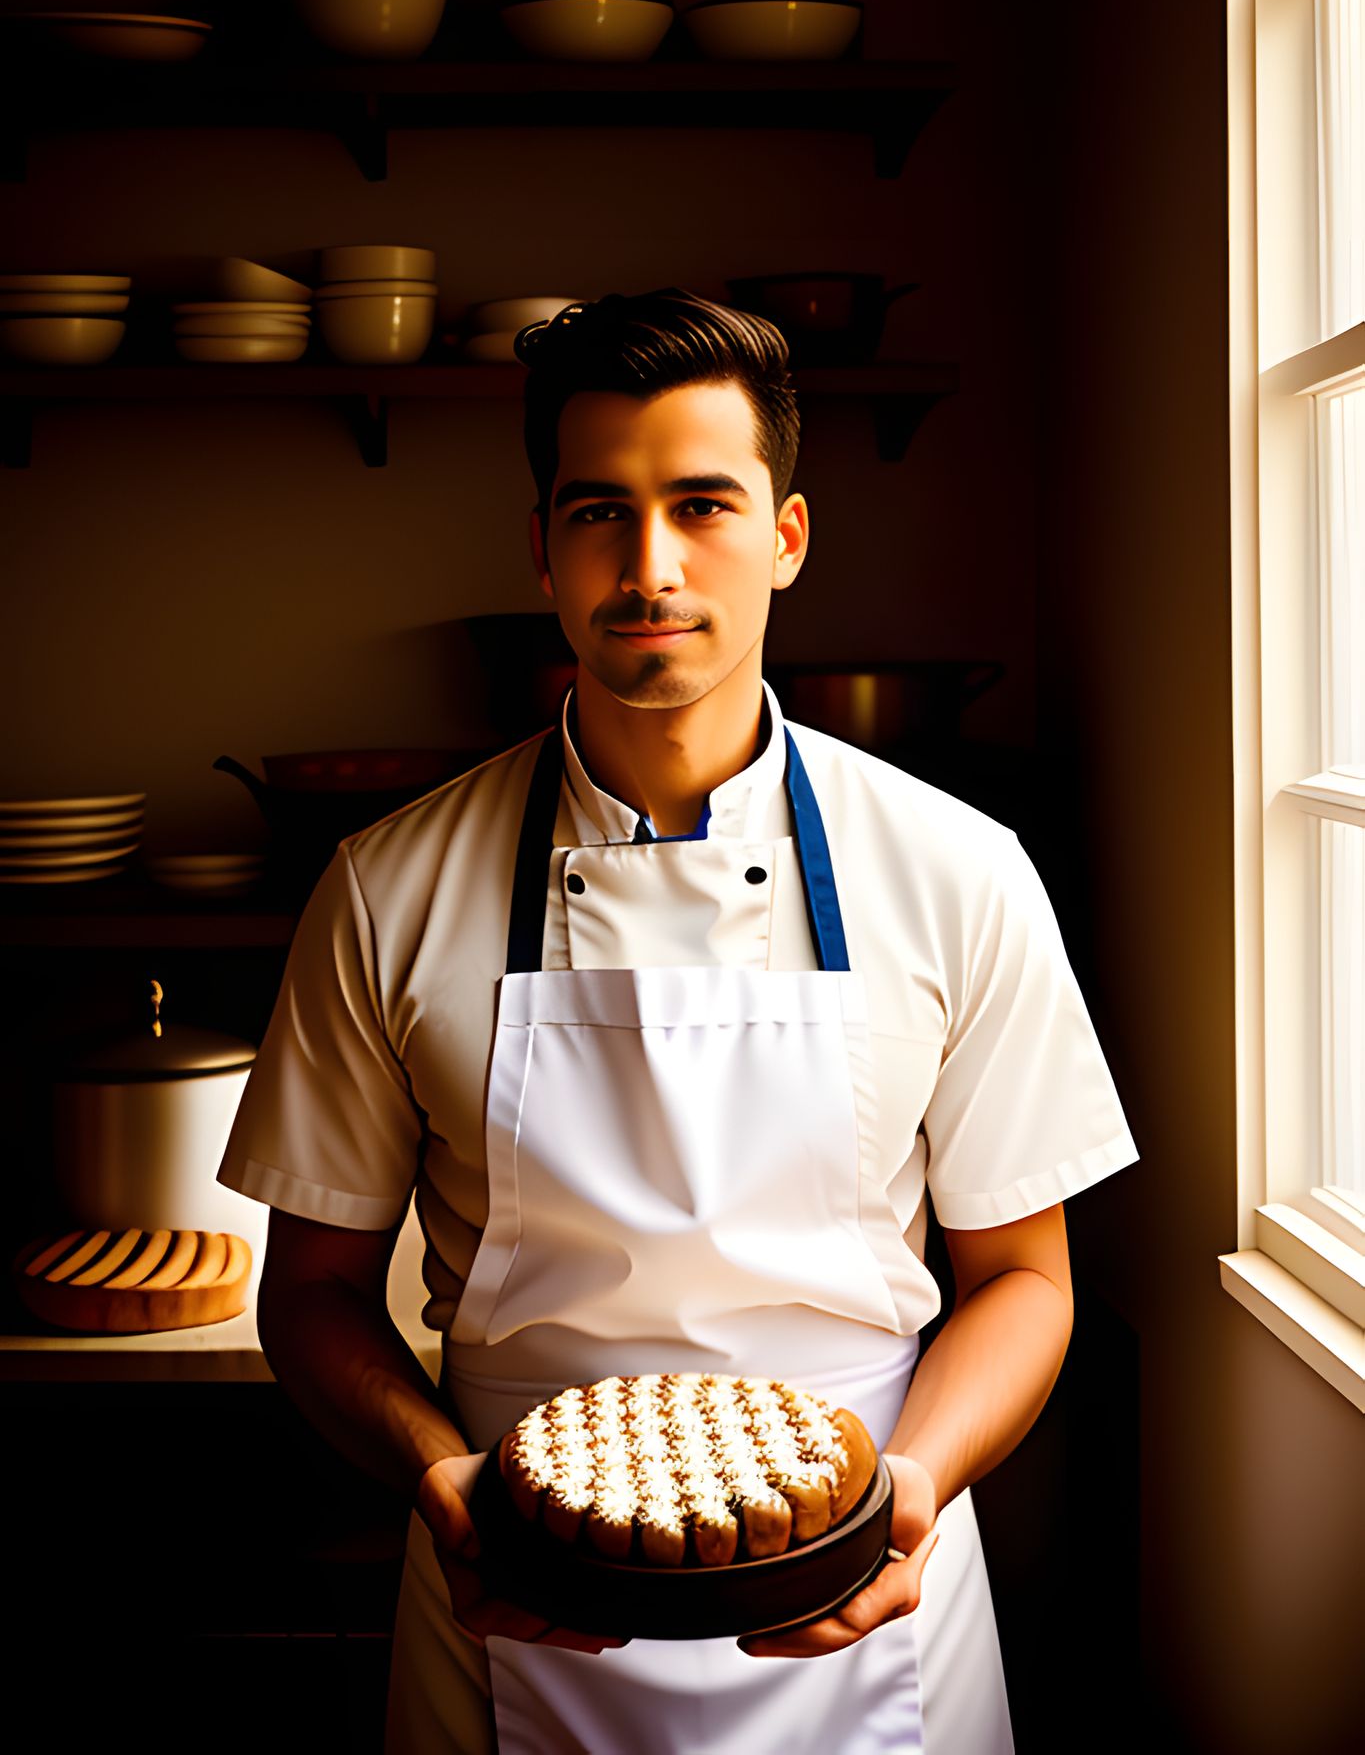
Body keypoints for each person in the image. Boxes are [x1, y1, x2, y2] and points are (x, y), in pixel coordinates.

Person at [218, 288, 1139, 1753]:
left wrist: (912, 1484)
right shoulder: (388, 885)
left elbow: (1026, 1279)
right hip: (508, 1598)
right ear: (541, 548)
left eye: (701, 504)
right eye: (599, 512)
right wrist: (440, 1479)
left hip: (870, 1601)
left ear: (785, 533)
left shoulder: (956, 869)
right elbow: (314, 1290)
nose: (648, 567)